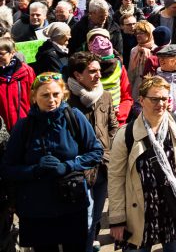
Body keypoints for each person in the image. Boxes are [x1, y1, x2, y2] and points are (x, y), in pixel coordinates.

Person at [0, 72, 103, 252]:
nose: (51, 100)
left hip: (72, 206)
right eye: (45, 95)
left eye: (56, 94)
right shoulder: (23, 126)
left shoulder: (75, 117)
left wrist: (68, 166)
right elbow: (8, 168)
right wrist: (34, 170)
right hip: (37, 210)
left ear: (63, 94)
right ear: (34, 97)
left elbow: (95, 152)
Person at [107, 75, 176, 252]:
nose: (161, 104)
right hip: (140, 212)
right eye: (154, 99)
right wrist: (117, 219)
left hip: (174, 209)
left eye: (164, 99)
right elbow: (115, 178)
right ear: (141, 100)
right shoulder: (125, 135)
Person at [65, 52, 119, 252]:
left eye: (99, 70)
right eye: (92, 71)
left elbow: (113, 126)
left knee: (95, 217)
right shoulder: (66, 101)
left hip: (103, 167)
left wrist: (108, 151)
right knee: (81, 220)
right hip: (79, 171)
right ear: (78, 76)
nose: (98, 75)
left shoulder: (104, 95)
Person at [0, 35, 34, 129]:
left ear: (12, 53)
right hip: (2, 129)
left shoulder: (26, 71)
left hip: (25, 125)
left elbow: (34, 97)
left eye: (1, 54)